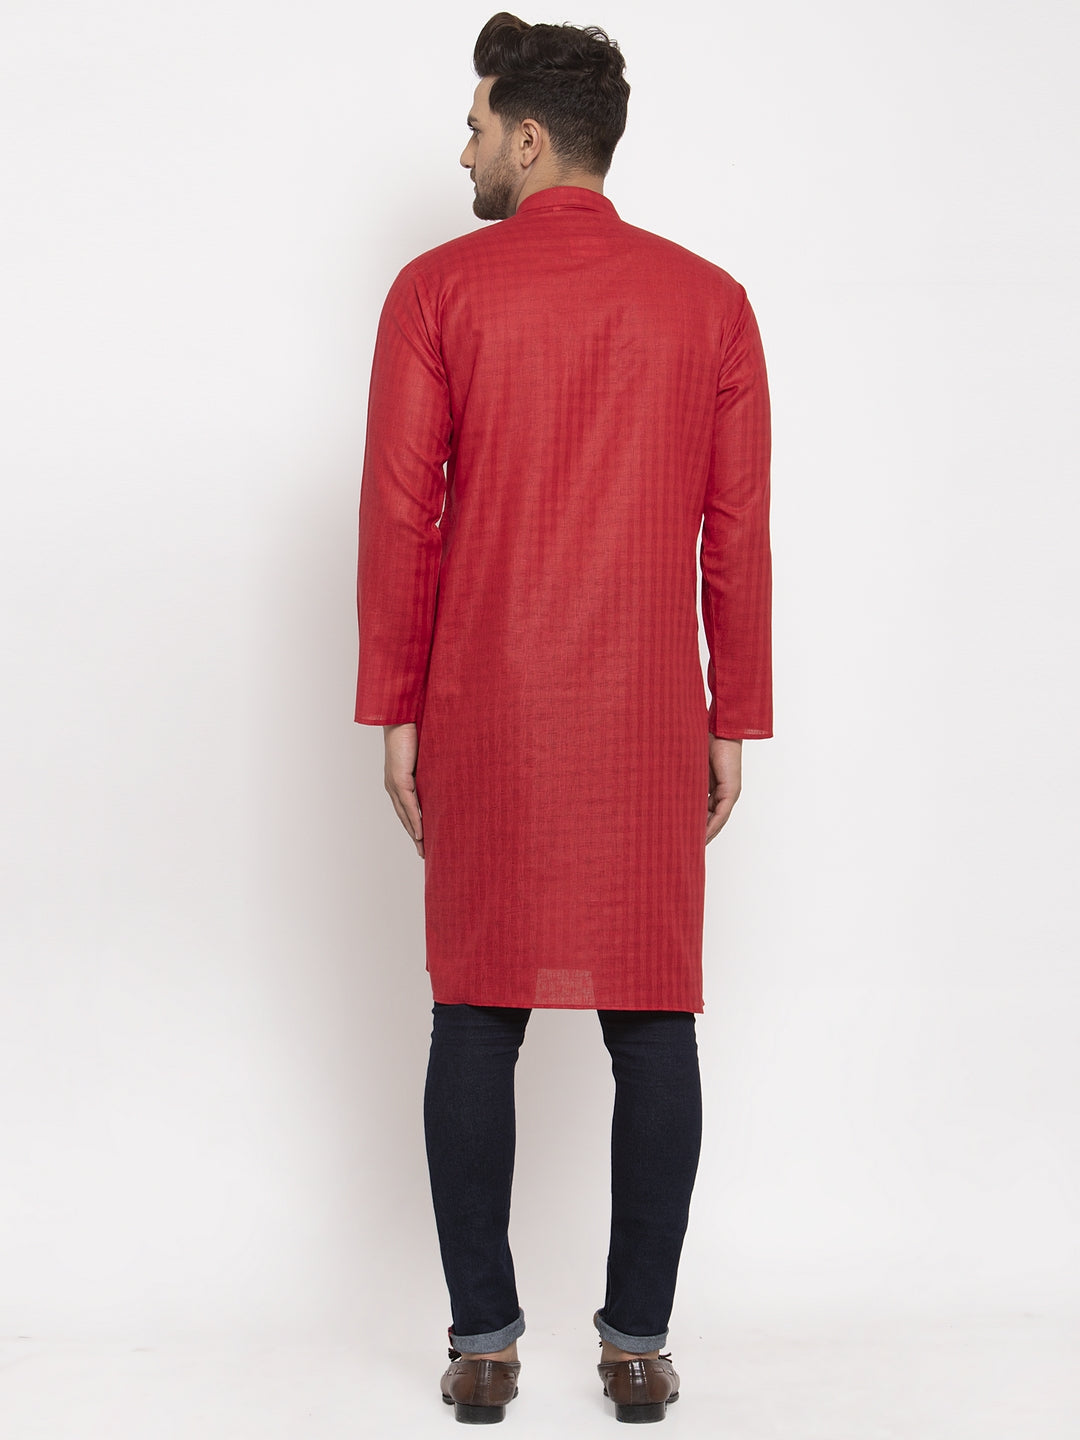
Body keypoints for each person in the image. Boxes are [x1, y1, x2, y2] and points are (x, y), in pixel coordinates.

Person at [354, 11, 772, 1424]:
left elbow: (402, 517)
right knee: (654, 1021)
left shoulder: (436, 291)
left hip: (487, 700)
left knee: (476, 1014)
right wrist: (732, 712)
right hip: (649, 708)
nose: (464, 149)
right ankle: (637, 1345)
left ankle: (482, 1342)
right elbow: (736, 532)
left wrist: (394, 705)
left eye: (477, 126)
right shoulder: (710, 302)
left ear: (529, 139)